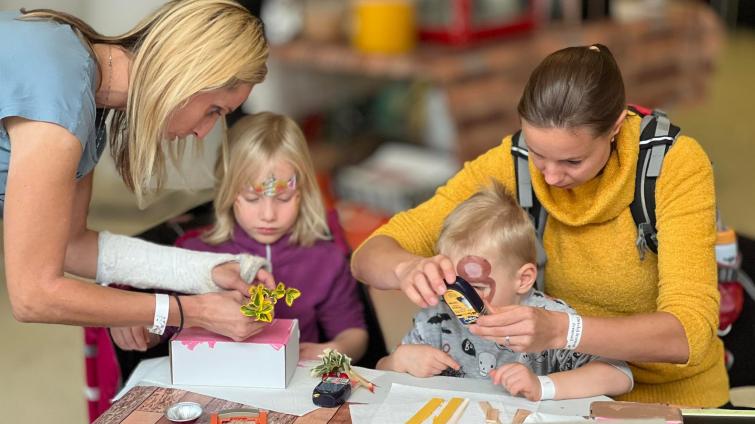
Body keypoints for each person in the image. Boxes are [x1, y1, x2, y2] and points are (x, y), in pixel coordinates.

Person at [352, 44, 729, 406]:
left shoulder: (673, 166)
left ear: (615, 126)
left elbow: (689, 332)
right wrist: (406, 267)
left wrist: (562, 330)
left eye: (572, 162)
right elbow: (369, 255)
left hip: (672, 398)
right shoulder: (512, 163)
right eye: (537, 154)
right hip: (559, 395)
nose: (548, 177)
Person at [1, 1, 276, 342]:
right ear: (186, 73)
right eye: (213, 110)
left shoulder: (86, 97)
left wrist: (208, 271)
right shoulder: (63, 97)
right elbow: (34, 295)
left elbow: (73, 246)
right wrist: (193, 312)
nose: (203, 132)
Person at [111, 112, 369, 361]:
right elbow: (162, 328)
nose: (268, 214)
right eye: (252, 198)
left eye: (283, 198)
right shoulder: (193, 255)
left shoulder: (325, 258)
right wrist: (138, 326)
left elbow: (353, 333)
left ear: (304, 192)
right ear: (227, 190)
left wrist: (333, 350)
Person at [376, 182, 634, 401]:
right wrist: (399, 361)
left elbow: (619, 376)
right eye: (450, 283)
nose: (458, 299)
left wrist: (542, 385)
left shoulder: (549, 320)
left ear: (523, 279)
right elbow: (381, 371)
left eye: (474, 287)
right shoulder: (438, 318)